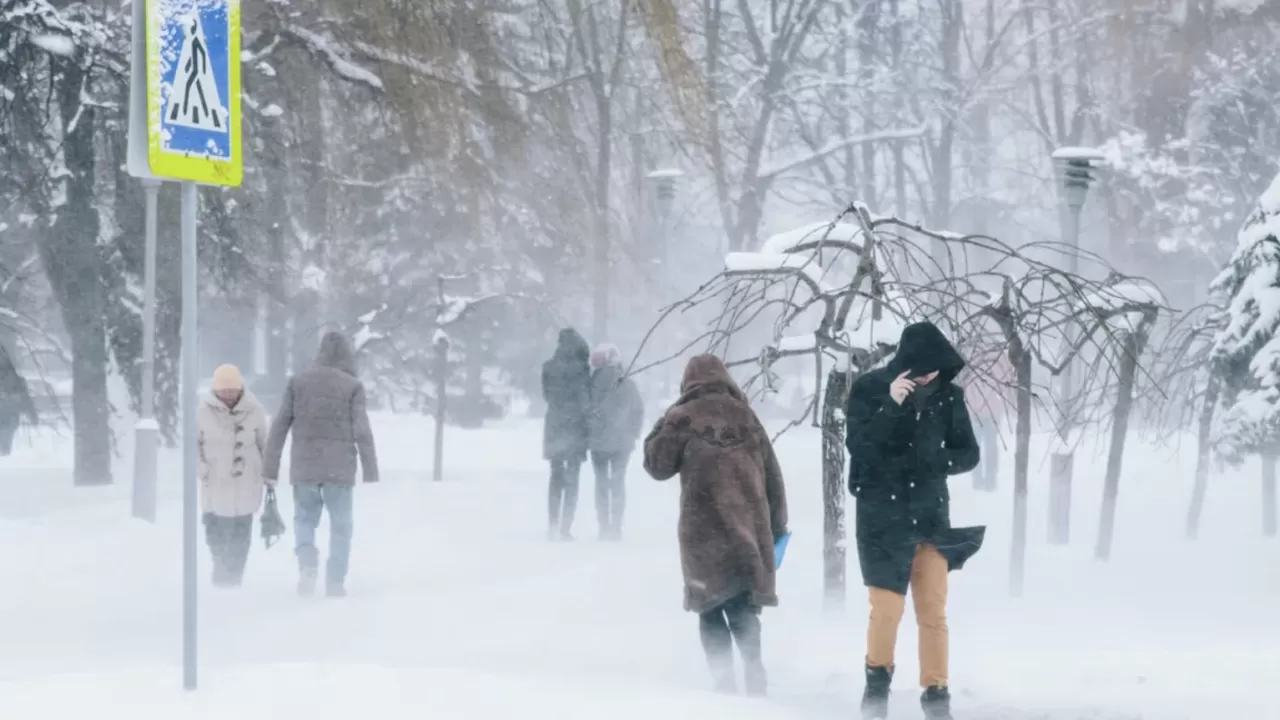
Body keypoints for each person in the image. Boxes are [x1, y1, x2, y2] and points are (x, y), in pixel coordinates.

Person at [845, 321, 985, 720]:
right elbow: (861, 448)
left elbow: (969, 454)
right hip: (881, 520)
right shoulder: (870, 389)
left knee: (933, 610)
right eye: (923, 370)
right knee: (887, 609)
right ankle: (876, 689)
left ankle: (937, 695)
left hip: (930, 517)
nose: (930, 377)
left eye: (936, 370)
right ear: (905, 364)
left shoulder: (949, 396)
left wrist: (936, 461)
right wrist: (891, 405)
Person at [643, 354, 788, 697]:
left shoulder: (681, 418)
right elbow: (774, 478)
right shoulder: (747, 417)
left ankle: (724, 685)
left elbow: (656, 465)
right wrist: (778, 527)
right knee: (740, 603)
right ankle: (755, 676)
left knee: (709, 607)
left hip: (702, 534)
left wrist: (665, 419)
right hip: (747, 530)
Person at [264, 331, 379, 598]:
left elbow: (280, 426)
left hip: (305, 467)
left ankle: (307, 563)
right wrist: (370, 469)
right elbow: (362, 429)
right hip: (339, 470)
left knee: (304, 519)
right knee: (341, 526)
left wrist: (270, 468)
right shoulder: (352, 386)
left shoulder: (298, 383)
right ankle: (335, 581)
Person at [198, 364, 270, 588]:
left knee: (241, 532)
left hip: (246, 481)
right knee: (215, 529)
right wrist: (203, 469)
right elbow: (194, 445)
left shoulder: (255, 410)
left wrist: (267, 473)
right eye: (223, 390)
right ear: (215, 390)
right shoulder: (201, 411)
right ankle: (220, 569)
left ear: (240, 388)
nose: (228, 394)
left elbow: (264, 444)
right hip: (216, 481)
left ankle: (235, 575)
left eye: (232, 389)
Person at [587, 343, 644, 541]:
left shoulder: (591, 383)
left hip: (598, 442)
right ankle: (616, 528)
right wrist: (633, 433)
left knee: (601, 483)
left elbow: (585, 409)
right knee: (618, 482)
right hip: (622, 442)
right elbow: (637, 410)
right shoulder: (627, 382)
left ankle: (603, 526)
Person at [541, 328, 591, 541]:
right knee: (572, 479)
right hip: (575, 427)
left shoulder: (548, 367)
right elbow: (584, 399)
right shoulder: (581, 369)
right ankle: (565, 528)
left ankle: (552, 524)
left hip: (554, 424)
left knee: (555, 477)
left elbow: (546, 395)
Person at [0, 346, 37, 456]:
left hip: (9, 418)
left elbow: (24, 398)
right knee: (5, 443)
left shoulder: (16, 379)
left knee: (5, 441)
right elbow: (25, 398)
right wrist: (32, 415)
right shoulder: (16, 379)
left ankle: (4, 452)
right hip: (10, 418)